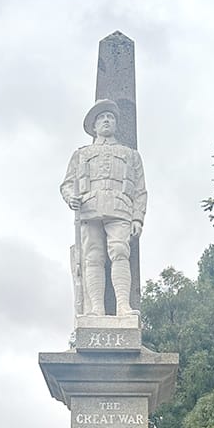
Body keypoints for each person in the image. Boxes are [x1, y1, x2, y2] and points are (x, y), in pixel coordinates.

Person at [60, 99, 147, 317]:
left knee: (119, 253)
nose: (106, 121)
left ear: (116, 124)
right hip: (89, 209)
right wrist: (71, 198)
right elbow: (67, 184)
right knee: (92, 257)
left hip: (120, 209)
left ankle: (123, 307)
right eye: (101, 118)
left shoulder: (131, 154)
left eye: (111, 117)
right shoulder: (81, 154)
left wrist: (138, 218)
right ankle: (96, 308)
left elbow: (140, 190)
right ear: (94, 126)